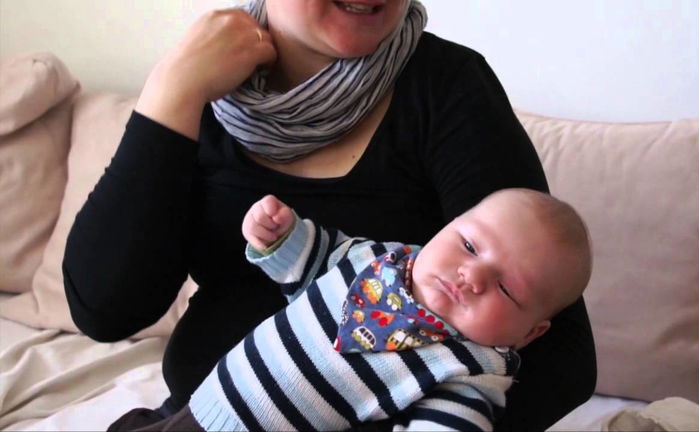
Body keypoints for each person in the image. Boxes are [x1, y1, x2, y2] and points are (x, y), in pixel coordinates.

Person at [63, 0, 597, 430]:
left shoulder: (448, 87)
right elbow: (107, 311)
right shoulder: (201, 84)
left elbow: (563, 356)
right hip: (195, 416)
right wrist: (172, 90)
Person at [135, 188, 592, 431]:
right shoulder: (379, 258)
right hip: (204, 403)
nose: (470, 276)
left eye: (507, 289)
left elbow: (451, 421)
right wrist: (279, 235)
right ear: (448, 226)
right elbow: (311, 258)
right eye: (469, 245)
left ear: (530, 334)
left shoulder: (467, 368)